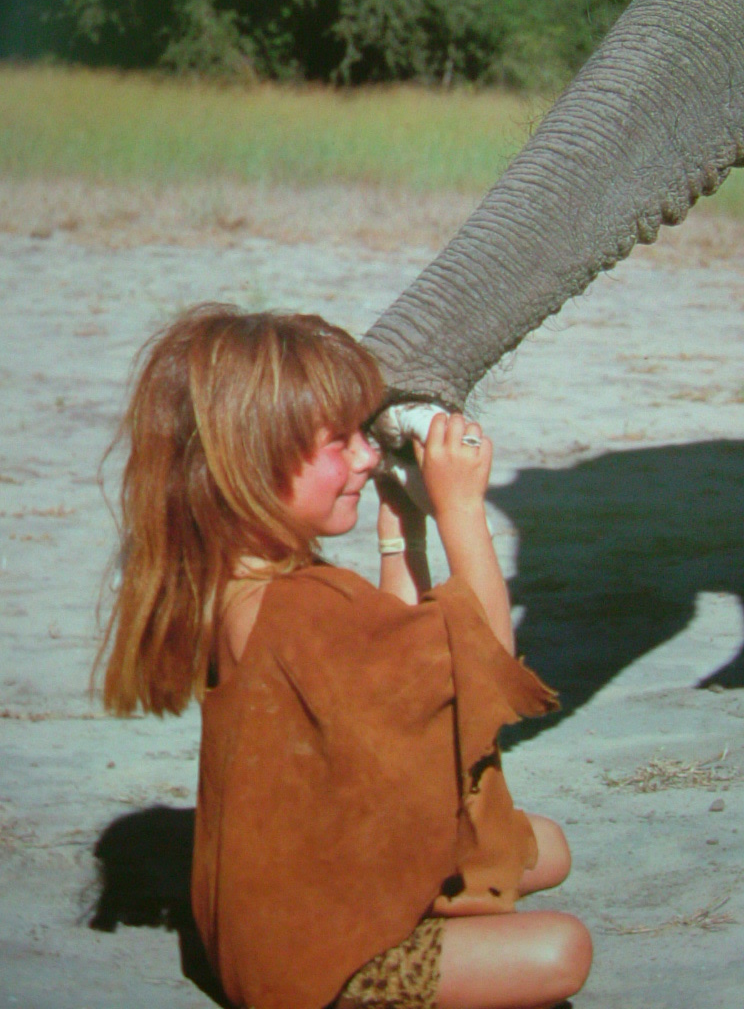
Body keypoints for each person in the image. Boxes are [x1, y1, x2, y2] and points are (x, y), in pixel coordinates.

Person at [97, 304, 592, 1009]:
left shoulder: (237, 586)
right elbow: (484, 656)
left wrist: (401, 530)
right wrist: (461, 509)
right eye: (340, 442)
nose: (366, 456)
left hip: (269, 917)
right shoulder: (299, 610)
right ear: (254, 461)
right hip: (310, 968)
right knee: (562, 950)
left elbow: (393, 654)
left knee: (543, 847)